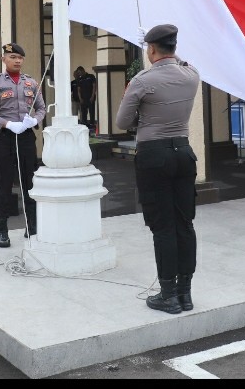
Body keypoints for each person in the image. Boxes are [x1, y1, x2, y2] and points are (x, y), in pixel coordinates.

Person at [115, 24, 200, 314]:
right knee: (184, 224)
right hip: (184, 152)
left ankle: (168, 294)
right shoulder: (192, 74)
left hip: (154, 155)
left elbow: (122, 122)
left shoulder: (142, 80)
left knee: (162, 227)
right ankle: (185, 293)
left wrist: (137, 103)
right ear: (174, 46)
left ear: (151, 49)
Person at [0, 43, 47, 248]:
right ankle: (2, 231)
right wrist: (7, 124)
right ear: (4, 59)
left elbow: (42, 108)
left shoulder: (31, 83)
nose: (17, 60)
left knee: (30, 183)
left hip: (26, 137)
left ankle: (32, 226)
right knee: (3, 185)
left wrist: (34, 121)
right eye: (12, 57)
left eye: (20, 57)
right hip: (5, 138)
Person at [73, 66, 97, 130]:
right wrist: (80, 98)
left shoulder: (91, 76)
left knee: (91, 111)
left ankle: (92, 124)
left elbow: (94, 86)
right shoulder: (80, 79)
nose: (79, 74)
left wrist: (92, 96)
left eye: (80, 72)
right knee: (84, 113)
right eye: (78, 73)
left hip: (90, 97)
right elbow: (79, 90)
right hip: (83, 98)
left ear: (83, 70)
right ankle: (84, 125)